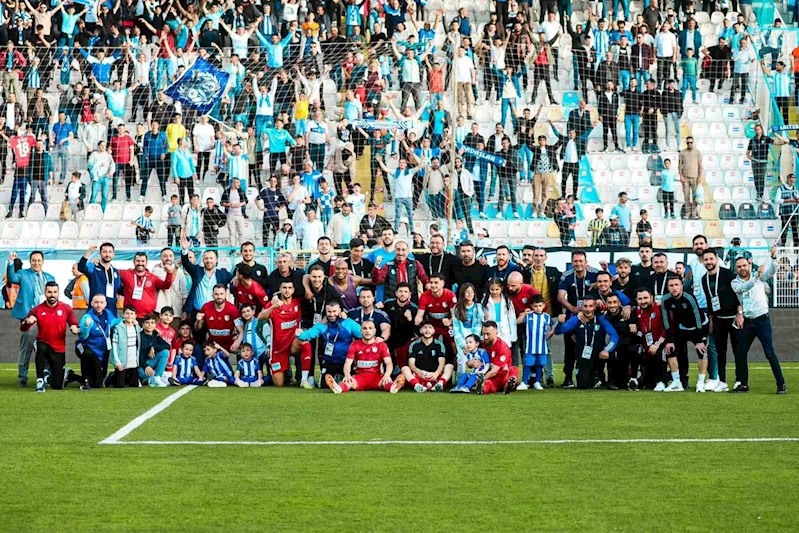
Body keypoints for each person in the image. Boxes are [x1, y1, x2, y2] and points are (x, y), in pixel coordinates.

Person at [731, 245, 787, 394]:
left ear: (749, 265)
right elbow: (744, 288)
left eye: (744, 265)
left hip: (762, 320)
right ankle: (743, 384)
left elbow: (772, 271)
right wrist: (756, 277)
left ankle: (781, 384)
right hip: (748, 322)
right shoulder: (735, 283)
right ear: (736, 269)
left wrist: (773, 257)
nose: (742, 268)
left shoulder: (760, 276)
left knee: (769, 353)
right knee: (740, 353)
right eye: (739, 266)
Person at [20, 281, 80, 393]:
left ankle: (57, 375)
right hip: (43, 343)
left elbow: (74, 324)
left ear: (58, 293)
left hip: (59, 349)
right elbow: (22, 328)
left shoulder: (66, 308)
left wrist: (75, 329)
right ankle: (40, 381)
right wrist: (28, 322)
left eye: (54, 292)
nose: (52, 295)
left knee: (57, 385)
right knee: (41, 346)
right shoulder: (37, 309)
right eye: (49, 292)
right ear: (45, 293)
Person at [8, 250, 55, 387]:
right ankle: (22, 377)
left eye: (39, 260)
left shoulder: (50, 277)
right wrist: (11, 262)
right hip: (29, 316)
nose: (36, 263)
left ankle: (46, 376)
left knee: (46, 348)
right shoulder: (22, 274)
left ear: (43, 262)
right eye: (34, 260)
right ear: (30, 262)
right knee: (27, 348)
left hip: (46, 317)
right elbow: (12, 278)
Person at [554, 297, 619, 390]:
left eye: (591, 306)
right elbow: (559, 331)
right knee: (583, 385)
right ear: (581, 307)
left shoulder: (601, 319)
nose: (588, 309)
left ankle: (611, 382)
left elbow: (614, 335)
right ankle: (595, 378)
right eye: (585, 306)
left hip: (600, 355)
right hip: (584, 356)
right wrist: (560, 323)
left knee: (613, 354)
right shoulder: (576, 319)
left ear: (594, 307)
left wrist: (607, 350)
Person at [325, 320, 405, 394]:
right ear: (361, 331)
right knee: (349, 382)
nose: (367, 331)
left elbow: (388, 363)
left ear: (374, 331)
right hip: (360, 378)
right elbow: (348, 363)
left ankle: (394, 387)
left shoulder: (381, 345)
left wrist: (387, 375)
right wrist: (347, 375)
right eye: (365, 328)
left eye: (370, 328)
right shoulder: (355, 344)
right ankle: (338, 388)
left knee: (385, 382)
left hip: (376, 377)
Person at [700, 248, 741, 393]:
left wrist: (740, 313)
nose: (709, 262)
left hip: (733, 318)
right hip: (718, 320)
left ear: (717, 259)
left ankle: (740, 380)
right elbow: (709, 300)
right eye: (706, 259)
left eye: (711, 259)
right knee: (720, 352)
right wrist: (711, 319)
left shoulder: (728, 274)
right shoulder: (704, 279)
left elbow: (738, 295)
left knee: (737, 350)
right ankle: (722, 382)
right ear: (703, 261)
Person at [296, 299, 362, 386]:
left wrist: (376, 338)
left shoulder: (348, 323)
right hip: (330, 361)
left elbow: (363, 334)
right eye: (329, 312)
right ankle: (337, 379)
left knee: (352, 384)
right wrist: (299, 334)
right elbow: (309, 334)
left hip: (347, 361)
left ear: (339, 311)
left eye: (334, 311)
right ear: (326, 312)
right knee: (324, 385)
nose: (332, 314)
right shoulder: (322, 325)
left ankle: (340, 378)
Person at [557, 250, 599, 387]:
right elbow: (560, 297)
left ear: (586, 262)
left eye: (581, 261)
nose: (578, 263)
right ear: (572, 262)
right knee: (570, 348)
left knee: (590, 345)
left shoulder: (594, 273)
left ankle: (593, 376)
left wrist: (597, 283)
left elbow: (608, 281)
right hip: (573, 316)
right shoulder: (567, 275)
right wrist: (573, 309)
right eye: (575, 261)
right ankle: (568, 378)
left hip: (590, 316)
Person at [662, 276, 710, 392]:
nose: (674, 288)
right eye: (671, 285)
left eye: (676, 285)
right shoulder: (665, 300)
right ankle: (677, 382)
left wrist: (699, 340)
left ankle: (700, 382)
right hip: (683, 328)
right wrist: (670, 340)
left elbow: (698, 318)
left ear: (681, 286)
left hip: (700, 326)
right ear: (668, 287)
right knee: (671, 350)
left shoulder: (689, 298)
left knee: (701, 351)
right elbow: (666, 320)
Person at [259, 280, 304, 388]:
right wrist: (273, 307)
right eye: (284, 288)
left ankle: (305, 377)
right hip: (278, 348)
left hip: (293, 343)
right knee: (278, 384)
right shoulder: (274, 304)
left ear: (293, 290)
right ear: (280, 289)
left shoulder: (298, 303)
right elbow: (260, 317)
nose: (287, 290)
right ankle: (284, 372)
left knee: (304, 341)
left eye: (289, 288)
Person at [77, 294, 118, 389]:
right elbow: (83, 336)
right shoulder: (87, 317)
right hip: (85, 347)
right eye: (96, 302)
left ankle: (72, 376)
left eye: (101, 302)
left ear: (105, 304)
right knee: (86, 354)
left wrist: (129, 320)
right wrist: (86, 326)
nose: (99, 305)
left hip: (100, 350)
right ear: (92, 303)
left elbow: (116, 322)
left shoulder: (108, 314)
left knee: (97, 384)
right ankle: (85, 381)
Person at [402, 320, 454, 392]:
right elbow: (411, 364)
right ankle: (417, 385)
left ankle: (440, 384)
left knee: (450, 366)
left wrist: (436, 374)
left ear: (434, 331)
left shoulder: (439, 345)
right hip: (420, 376)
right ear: (420, 330)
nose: (427, 330)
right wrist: (419, 372)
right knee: (404, 368)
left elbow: (441, 363)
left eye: (430, 327)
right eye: (425, 327)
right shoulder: (414, 345)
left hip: (435, 376)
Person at [118, 252, 174, 319]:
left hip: (147, 316)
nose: (140, 263)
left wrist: (169, 273)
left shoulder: (152, 277)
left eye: (143, 261)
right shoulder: (126, 274)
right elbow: (112, 271)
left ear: (146, 262)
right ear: (134, 262)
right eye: (138, 261)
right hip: (130, 316)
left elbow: (166, 286)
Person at [517, 294, 555, 391]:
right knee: (528, 364)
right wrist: (524, 314)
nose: (538, 308)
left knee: (539, 364)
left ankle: (537, 382)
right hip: (530, 346)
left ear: (544, 305)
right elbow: (518, 321)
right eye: (535, 306)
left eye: (540, 306)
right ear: (532, 306)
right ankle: (524, 382)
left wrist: (551, 332)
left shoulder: (546, 317)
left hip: (542, 347)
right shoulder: (529, 316)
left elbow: (554, 324)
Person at [195, 285, 243, 354]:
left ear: (225, 294)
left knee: (233, 360)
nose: (219, 296)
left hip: (230, 346)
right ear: (212, 295)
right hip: (212, 347)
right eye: (216, 294)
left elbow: (242, 331)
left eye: (221, 294)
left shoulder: (233, 309)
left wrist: (237, 342)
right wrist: (198, 321)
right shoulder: (206, 307)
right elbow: (197, 328)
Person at [78, 243, 123, 313]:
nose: (107, 254)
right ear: (100, 253)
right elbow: (81, 267)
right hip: (96, 309)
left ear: (113, 254)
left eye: (110, 252)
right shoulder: (94, 267)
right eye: (104, 252)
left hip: (111, 310)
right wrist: (89, 251)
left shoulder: (115, 272)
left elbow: (119, 289)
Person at [478, 321, 519, 395]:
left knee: (514, 369)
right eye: (483, 334)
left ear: (496, 332)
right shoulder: (483, 344)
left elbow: (494, 371)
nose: (485, 337)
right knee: (488, 384)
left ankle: (510, 383)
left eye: (488, 334)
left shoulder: (502, 347)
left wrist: (481, 379)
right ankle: (481, 389)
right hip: (492, 378)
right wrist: (471, 363)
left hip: (503, 376)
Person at [776, 173, 799, 247]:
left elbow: (797, 197)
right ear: (788, 179)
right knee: (784, 229)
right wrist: (787, 200)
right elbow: (777, 200)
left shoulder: (795, 188)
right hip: (785, 213)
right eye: (791, 181)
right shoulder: (781, 188)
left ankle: (796, 245)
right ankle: (783, 245)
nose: (792, 183)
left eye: (794, 181)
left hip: (794, 213)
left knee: (795, 229)